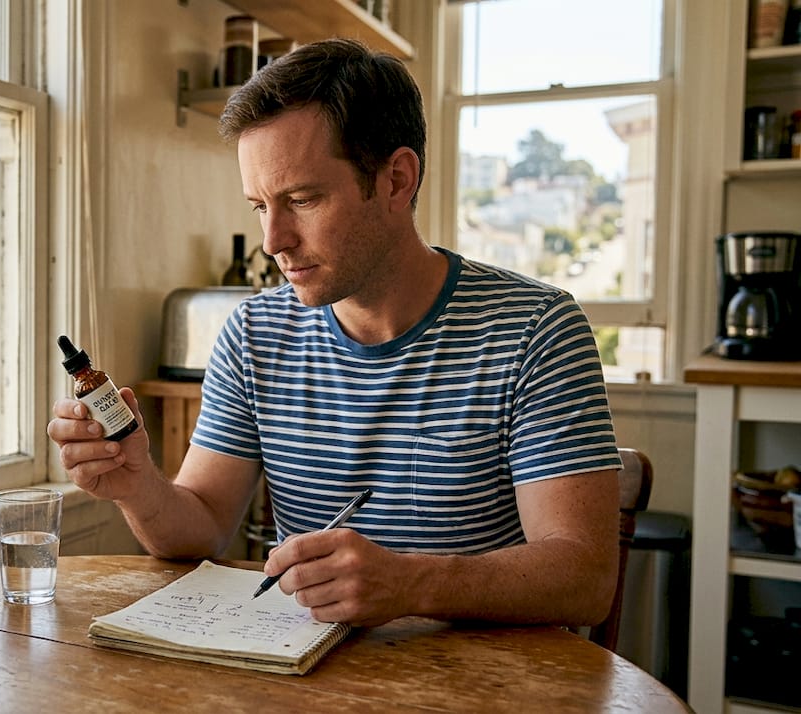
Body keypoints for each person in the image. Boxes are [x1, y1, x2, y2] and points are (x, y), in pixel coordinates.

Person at [47, 38, 621, 629]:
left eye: (301, 199)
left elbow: (585, 577)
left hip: (488, 673)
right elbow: (204, 525)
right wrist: (138, 486)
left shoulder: (536, 329)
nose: (273, 241)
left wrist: (410, 584)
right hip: (304, 667)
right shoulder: (254, 333)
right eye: (259, 206)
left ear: (396, 180)